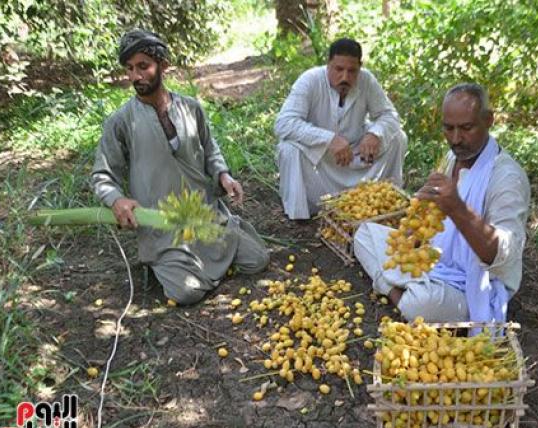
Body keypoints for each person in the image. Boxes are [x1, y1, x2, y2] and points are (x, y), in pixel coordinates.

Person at [91, 30, 269, 305]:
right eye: (129, 69)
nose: (135, 76)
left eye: (143, 66)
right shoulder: (121, 121)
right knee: (186, 293)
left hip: (203, 215)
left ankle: (221, 240)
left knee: (257, 260)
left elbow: (211, 149)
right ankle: (167, 263)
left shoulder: (191, 108)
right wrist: (116, 200)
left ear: (163, 65)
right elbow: (103, 175)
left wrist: (223, 175)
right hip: (163, 228)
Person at [354, 83, 530, 325]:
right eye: (449, 128)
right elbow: (431, 224)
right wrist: (419, 213)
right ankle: (402, 292)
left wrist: (457, 208)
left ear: (488, 120)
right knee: (364, 233)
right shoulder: (452, 157)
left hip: (473, 283)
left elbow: (503, 254)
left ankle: (399, 294)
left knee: (423, 304)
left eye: (466, 128)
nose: (456, 139)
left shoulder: (507, 178)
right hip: (437, 258)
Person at [274, 38, 407, 220]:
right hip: (321, 157)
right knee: (288, 148)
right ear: (328, 65)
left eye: (352, 71)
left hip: (355, 153)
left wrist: (375, 134)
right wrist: (329, 140)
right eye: (339, 69)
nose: (345, 77)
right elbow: (284, 123)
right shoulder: (310, 80)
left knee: (397, 137)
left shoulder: (366, 80)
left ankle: (385, 200)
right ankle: (304, 212)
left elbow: (389, 115)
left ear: (360, 68)